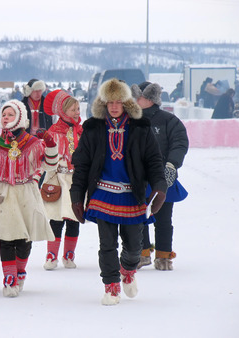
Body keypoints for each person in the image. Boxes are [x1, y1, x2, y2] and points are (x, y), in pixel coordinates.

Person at [70, 78, 167, 305]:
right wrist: (77, 196)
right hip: (102, 195)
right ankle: (111, 286)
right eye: (109, 102)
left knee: (135, 248)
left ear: (126, 103)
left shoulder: (140, 128)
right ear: (103, 103)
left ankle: (128, 269)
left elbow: (154, 161)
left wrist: (160, 188)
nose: (114, 106)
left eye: (118, 101)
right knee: (107, 244)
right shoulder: (93, 128)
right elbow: (81, 164)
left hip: (131, 196)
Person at [0, 99, 58, 297]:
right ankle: (9, 278)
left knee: (24, 240)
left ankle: (20, 270)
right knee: (5, 237)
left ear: (20, 118)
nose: (6, 118)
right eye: (3, 114)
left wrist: (50, 143)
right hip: (3, 193)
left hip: (26, 192)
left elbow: (50, 166)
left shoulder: (32, 143)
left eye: (10, 114)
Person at [131, 82, 189, 271]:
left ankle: (164, 256)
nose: (134, 100)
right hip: (137, 178)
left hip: (163, 178)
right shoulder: (130, 120)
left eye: (137, 97)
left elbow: (179, 142)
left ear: (148, 98)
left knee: (163, 218)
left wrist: (172, 165)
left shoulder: (169, 120)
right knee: (138, 217)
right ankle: (142, 253)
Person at [40, 90, 83, 270]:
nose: (77, 113)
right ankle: (51, 255)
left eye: (78, 109)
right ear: (63, 111)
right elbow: (45, 156)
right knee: (56, 218)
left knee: (74, 217)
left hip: (76, 180)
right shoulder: (53, 132)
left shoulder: (81, 131)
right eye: (73, 109)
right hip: (57, 179)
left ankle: (69, 255)